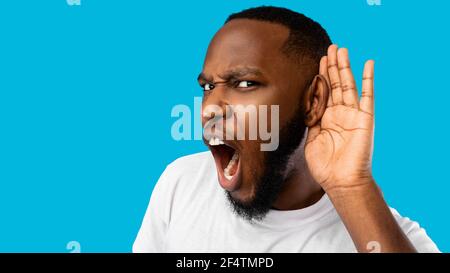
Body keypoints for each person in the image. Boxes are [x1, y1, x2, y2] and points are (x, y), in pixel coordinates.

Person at [133, 6, 439, 253]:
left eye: (245, 84)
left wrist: (352, 187)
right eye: (209, 86)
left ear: (313, 100)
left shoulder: (388, 238)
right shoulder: (180, 183)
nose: (210, 107)